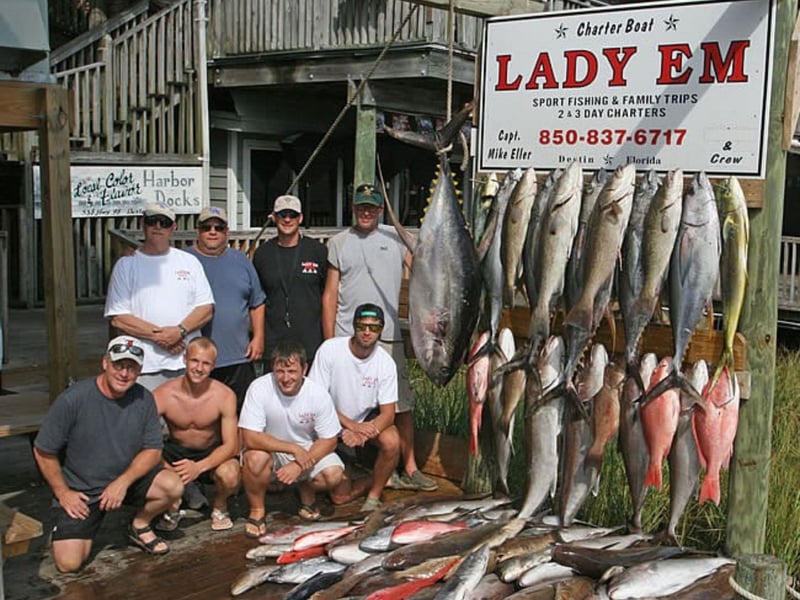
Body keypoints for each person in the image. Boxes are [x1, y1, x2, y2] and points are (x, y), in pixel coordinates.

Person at [321, 184, 437, 492]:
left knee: (400, 405)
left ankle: (410, 467)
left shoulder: (395, 238)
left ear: (380, 210)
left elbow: (422, 273)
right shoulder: (338, 243)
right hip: (349, 335)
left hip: (389, 338)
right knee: (343, 403)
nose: (366, 212)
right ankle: (350, 466)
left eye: (372, 207)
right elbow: (330, 292)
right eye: (361, 207)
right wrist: (329, 339)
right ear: (353, 208)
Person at [33, 336, 183, 572]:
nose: (124, 373)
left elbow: (153, 450)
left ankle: (140, 524)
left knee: (172, 485)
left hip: (126, 483)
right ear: (105, 363)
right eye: (118, 365)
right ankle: (65, 526)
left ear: (140, 371)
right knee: (68, 564)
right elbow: (43, 450)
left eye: (131, 367)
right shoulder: (73, 399)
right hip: (83, 491)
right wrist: (62, 492)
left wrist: (123, 482)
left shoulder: (144, 400)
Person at [104, 202, 215, 391]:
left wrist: (179, 332)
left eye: (164, 222)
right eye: (152, 221)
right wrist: (163, 337)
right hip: (143, 366)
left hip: (186, 364)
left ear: (173, 227)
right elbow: (118, 318)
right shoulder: (126, 265)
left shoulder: (189, 262)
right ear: (142, 224)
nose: (157, 226)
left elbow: (205, 309)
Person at [238, 339, 345, 537]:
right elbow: (250, 437)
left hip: (306, 450)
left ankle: (306, 489)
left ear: (304, 369)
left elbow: (329, 440)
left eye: (292, 371)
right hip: (270, 450)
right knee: (255, 458)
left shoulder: (318, 394)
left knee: (333, 474)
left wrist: (299, 463)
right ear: (272, 369)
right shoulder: (259, 388)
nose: (286, 378)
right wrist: (293, 449)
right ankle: (257, 510)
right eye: (280, 371)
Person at [309, 303, 401, 512]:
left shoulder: (386, 363)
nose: (367, 332)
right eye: (362, 326)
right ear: (354, 326)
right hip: (328, 422)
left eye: (374, 327)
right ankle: (377, 477)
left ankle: (374, 495)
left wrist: (363, 434)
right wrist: (350, 426)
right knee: (340, 497)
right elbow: (317, 401)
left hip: (364, 422)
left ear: (381, 330)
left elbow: (388, 415)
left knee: (392, 440)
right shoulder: (330, 349)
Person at [153, 337, 241, 532]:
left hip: (210, 452)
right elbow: (145, 440)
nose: (199, 368)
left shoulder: (224, 395)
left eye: (206, 363)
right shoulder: (163, 394)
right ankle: (172, 503)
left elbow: (231, 445)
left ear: (213, 366)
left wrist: (198, 467)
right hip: (175, 452)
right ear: (185, 359)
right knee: (148, 463)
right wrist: (168, 469)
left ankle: (219, 505)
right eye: (195, 361)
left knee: (230, 474)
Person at [186, 206, 265, 410]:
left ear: (226, 232)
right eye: (206, 227)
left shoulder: (241, 261)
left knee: (241, 414)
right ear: (198, 231)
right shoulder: (183, 260)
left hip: (238, 356)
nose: (212, 231)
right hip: (198, 360)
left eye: (218, 227)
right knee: (201, 414)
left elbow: (257, 302)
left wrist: (258, 337)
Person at [252, 195, 327, 369]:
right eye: (282, 214)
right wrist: (258, 336)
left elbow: (328, 296)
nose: (287, 219)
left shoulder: (318, 251)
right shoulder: (263, 254)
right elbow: (257, 301)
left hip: (311, 344)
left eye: (292, 215)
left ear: (300, 218)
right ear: (274, 217)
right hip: (274, 345)